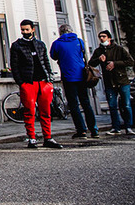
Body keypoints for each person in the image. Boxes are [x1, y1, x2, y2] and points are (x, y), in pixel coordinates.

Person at [10, 19, 62, 148]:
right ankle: (32, 138)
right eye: (23, 30)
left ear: (33, 29)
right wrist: (21, 82)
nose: (25, 32)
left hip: (43, 82)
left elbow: (45, 60)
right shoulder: (17, 46)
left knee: (46, 111)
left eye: (27, 30)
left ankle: (48, 137)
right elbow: (14, 65)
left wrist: (49, 77)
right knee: (29, 111)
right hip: (28, 82)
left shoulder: (40, 44)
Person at [50, 24, 99, 138]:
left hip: (68, 77)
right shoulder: (79, 41)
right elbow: (83, 54)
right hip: (82, 76)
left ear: (60, 32)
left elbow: (54, 56)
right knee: (86, 103)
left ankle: (81, 130)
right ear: (71, 31)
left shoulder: (57, 43)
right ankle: (94, 129)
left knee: (74, 105)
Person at [88, 30, 134, 135]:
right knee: (112, 106)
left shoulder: (119, 49)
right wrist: (99, 59)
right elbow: (91, 63)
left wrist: (115, 64)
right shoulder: (98, 51)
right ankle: (116, 128)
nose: (101, 39)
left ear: (109, 38)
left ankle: (128, 127)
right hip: (109, 82)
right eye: (100, 37)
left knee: (126, 105)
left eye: (103, 37)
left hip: (122, 81)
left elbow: (130, 62)